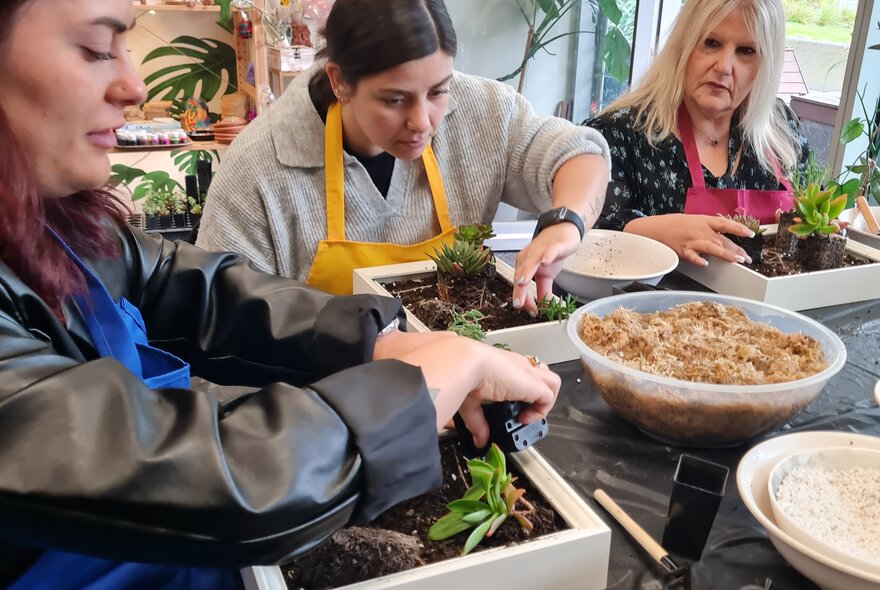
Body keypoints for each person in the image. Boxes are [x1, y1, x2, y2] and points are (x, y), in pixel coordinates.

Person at [0, 1, 561, 589]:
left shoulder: (54, 221)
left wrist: (376, 344)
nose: (133, 84)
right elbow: (225, 477)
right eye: (95, 49)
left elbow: (187, 285)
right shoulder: (261, 163)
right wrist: (417, 392)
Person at [195, 0, 610, 315]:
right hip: (330, 407)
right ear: (340, 81)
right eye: (394, 100)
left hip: (468, 383)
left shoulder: (483, 112)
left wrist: (566, 224)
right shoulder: (259, 171)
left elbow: (580, 153)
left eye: (438, 92)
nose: (422, 122)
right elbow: (221, 324)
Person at [584, 0, 809, 266]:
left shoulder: (782, 133)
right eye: (710, 43)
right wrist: (652, 233)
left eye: (746, 50)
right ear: (683, 45)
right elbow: (581, 242)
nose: (724, 66)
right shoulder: (617, 136)